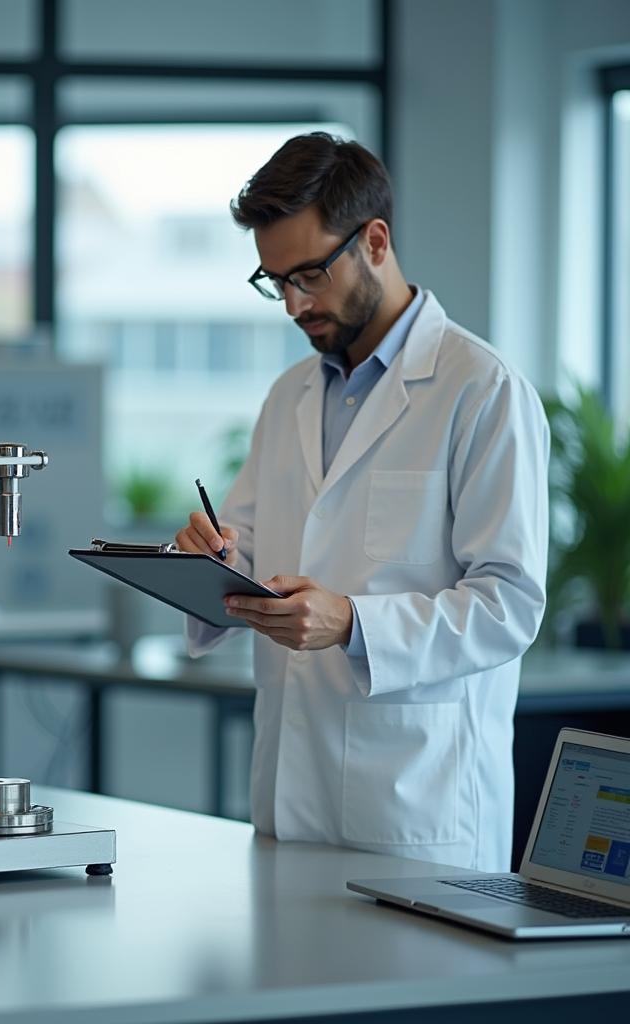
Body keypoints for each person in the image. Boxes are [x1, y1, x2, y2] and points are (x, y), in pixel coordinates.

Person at [176, 132, 549, 872]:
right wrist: (211, 560)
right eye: (274, 281)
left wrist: (353, 623)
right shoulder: (288, 396)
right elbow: (246, 548)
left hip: (419, 809)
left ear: (375, 241)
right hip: (288, 802)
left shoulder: (483, 391)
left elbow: (509, 605)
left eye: (309, 275)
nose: (293, 304)